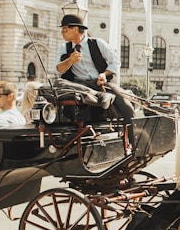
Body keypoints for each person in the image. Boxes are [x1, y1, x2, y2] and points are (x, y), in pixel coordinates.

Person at [54, 14, 135, 142]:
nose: (62, 33)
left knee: (126, 106)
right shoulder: (64, 48)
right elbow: (58, 69)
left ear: (75, 29)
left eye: (65, 29)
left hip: (101, 83)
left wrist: (104, 74)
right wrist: (70, 61)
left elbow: (115, 62)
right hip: (79, 85)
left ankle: (132, 142)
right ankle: (99, 96)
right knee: (58, 83)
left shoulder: (98, 43)